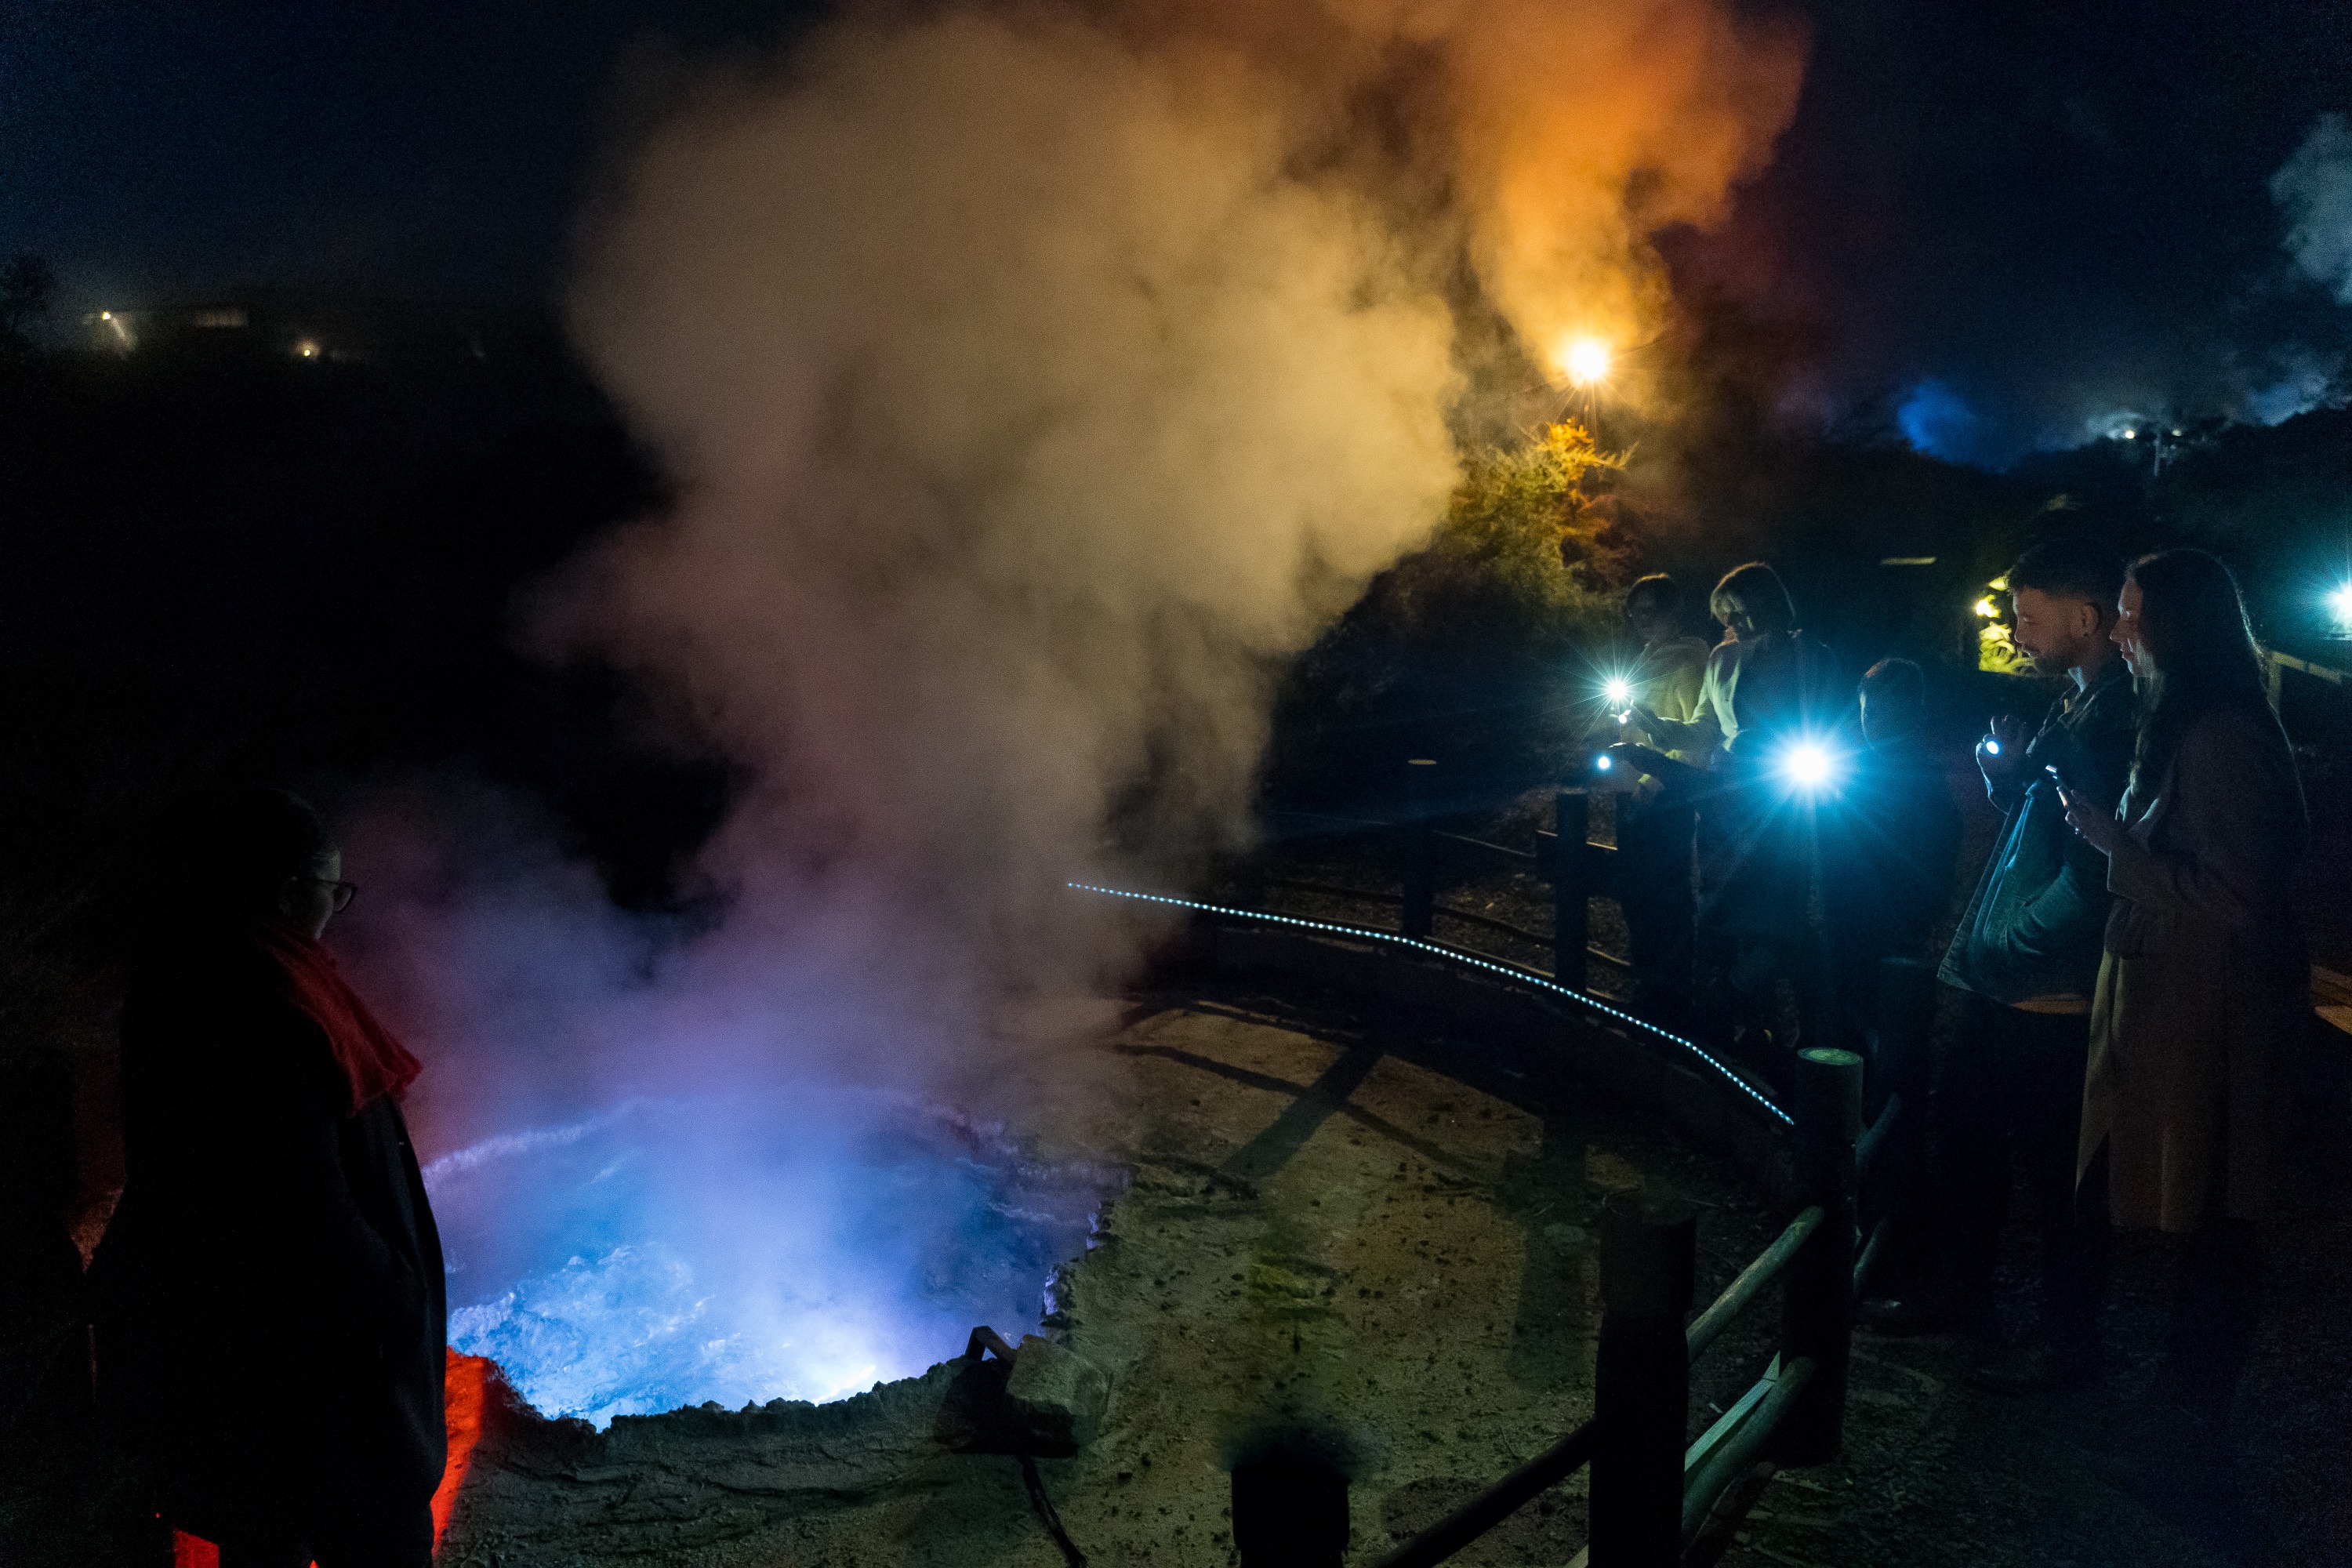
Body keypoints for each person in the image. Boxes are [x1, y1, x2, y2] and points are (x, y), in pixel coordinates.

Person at [89, 788, 446, 1567]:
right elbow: (298, 1200)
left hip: (244, 1357)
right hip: (317, 1361)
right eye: (333, 889)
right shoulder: (262, 997)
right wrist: (391, 1290)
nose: (336, 908)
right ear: (289, 890)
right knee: (372, 1536)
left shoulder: (196, 975)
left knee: (265, 1529)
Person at [2061, 550, 2306, 1475]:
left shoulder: (2220, 738)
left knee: (2215, 1210)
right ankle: (2176, 1416)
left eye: (2130, 615)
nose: (2119, 630)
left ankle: (2188, 1429)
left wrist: (2119, 850)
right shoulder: (2189, 725)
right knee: (2199, 1209)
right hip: (2184, 1000)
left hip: (2212, 1014)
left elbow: (2238, 894)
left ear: (2177, 627)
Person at [1871, 541, 2134, 1384]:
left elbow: (2096, 871)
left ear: (2085, 620)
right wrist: (2011, 780)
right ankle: (1971, 1299)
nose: (2013, 629)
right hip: (2011, 984)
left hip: (2045, 991)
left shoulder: (2114, 723)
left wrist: (2011, 941)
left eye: (2027, 613)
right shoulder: (2076, 707)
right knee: (1972, 1139)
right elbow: (2054, 831)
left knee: (2056, 1170)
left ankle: (2066, 1344)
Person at [1625, 562, 1842, 1052]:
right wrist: (1657, 729)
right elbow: (1704, 728)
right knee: (1720, 905)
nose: (1740, 624)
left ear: (1772, 604)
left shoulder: (1811, 656)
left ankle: (1783, 1021)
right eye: (1731, 615)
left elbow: (1828, 721)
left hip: (1784, 794)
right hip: (1726, 798)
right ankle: (1738, 1024)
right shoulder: (1721, 659)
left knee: (1777, 906)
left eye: (1747, 612)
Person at [1821, 658, 1962, 1048]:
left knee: (1884, 1007)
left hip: (1891, 910)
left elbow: (1939, 842)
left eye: (1887, 711)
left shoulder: (1920, 775)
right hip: (1853, 906)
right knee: (1852, 1000)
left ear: (1912, 714)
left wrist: (1929, 901)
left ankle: (1885, 1084)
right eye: (1872, 711)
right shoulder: (1855, 767)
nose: (1876, 721)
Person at [1606, 574, 1711, 1021]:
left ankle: (1666, 1003)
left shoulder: (1687, 663)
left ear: (1674, 612)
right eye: (1637, 611)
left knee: (1663, 899)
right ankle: (1648, 993)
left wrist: (1653, 785)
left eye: (1652, 610)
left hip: (1661, 799)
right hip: (1632, 795)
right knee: (1637, 896)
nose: (1642, 620)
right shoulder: (1649, 658)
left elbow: (1694, 741)